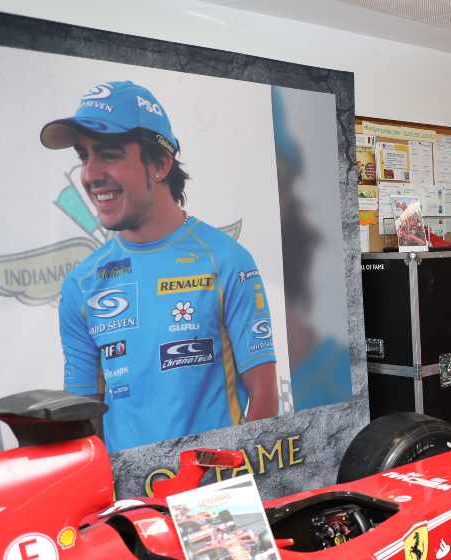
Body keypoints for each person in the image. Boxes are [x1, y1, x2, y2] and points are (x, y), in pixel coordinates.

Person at [44, 80, 278, 452]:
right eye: (83, 156)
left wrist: (239, 482)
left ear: (160, 164)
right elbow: (81, 417)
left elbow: (264, 396)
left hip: (216, 495)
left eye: (108, 154)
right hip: (131, 502)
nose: (89, 174)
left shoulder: (227, 260)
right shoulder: (82, 284)